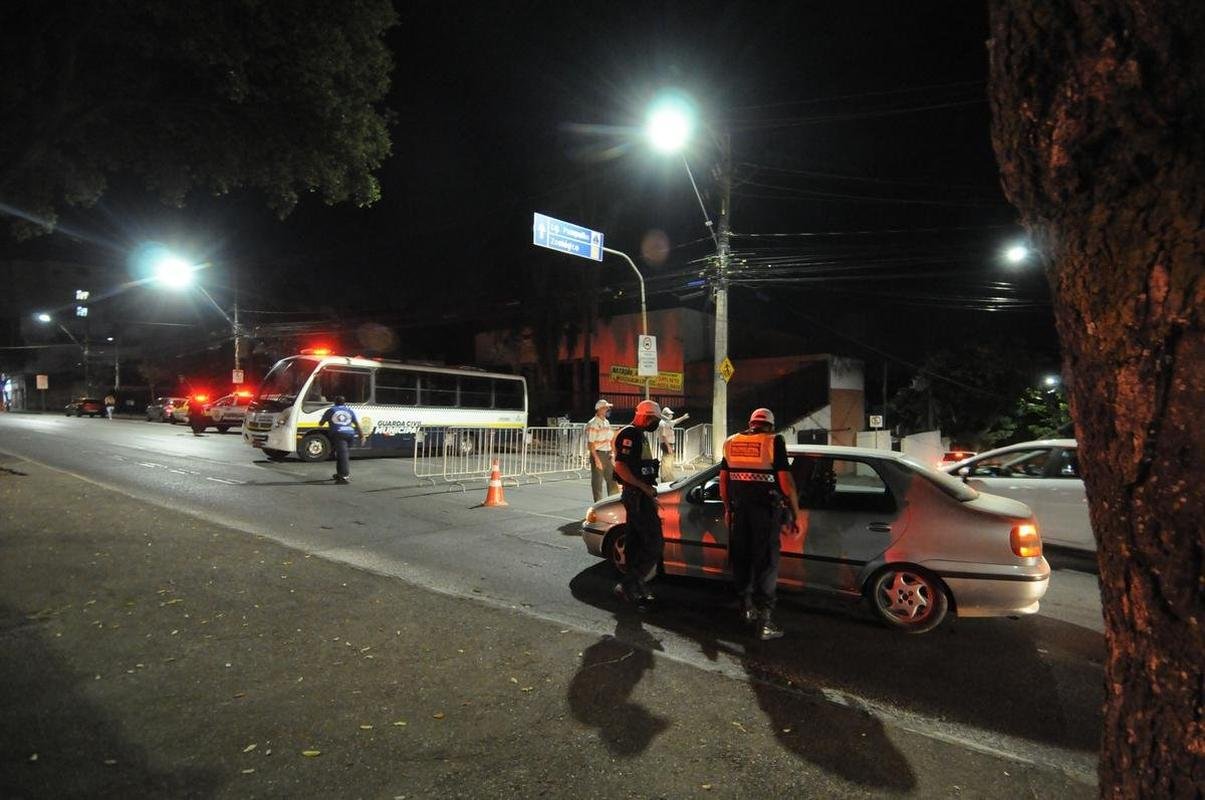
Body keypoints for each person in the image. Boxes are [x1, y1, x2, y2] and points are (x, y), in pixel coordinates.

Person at [719, 407, 804, 640]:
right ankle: (765, 621)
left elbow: (723, 480)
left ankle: (746, 608)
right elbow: (786, 482)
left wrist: (728, 509)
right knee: (766, 562)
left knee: (742, 558)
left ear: (751, 423)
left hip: (740, 512)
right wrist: (795, 513)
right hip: (765, 513)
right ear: (771, 425)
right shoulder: (774, 441)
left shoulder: (731, 441)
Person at [610, 399, 664, 610]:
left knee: (637, 543)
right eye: (655, 420)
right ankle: (629, 584)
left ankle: (635, 586)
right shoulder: (630, 434)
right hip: (637, 495)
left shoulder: (639, 435)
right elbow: (622, 467)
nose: (655, 424)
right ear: (646, 416)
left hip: (640, 495)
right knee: (654, 542)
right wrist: (644, 488)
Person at [319, 395, 363, 485]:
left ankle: (344, 477)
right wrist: (362, 436)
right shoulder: (349, 410)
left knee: (343, 456)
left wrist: (324, 421)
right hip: (350, 434)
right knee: (340, 454)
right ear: (344, 402)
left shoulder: (331, 410)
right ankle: (340, 474)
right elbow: (357, 424)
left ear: (335, 402)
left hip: (339, 435)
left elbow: (321, 423)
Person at [586, 399, 618, 501]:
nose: (608, 410)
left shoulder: (606, 422)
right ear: (599, 409)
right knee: (597, 481)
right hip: (599, 454)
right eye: (606, 408)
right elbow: (591, 443)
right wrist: (596, 459)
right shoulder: (593, 423)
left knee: (612, 480)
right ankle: (598, 504)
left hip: (607, 453)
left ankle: (612, 502)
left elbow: (610, 439)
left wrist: (612, 453)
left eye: (608, 408)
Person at [656, 406, 676, 482]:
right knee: (667, 462)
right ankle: (666, 479)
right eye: (669, 414)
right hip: (666, 444)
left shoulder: (666, 422)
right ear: (665, 415)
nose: (671, 416)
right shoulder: (663, 423)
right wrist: (668, 446)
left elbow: (676, 421)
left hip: (667, 444)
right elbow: (664, 436)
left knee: (669, 461)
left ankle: (668, 478)